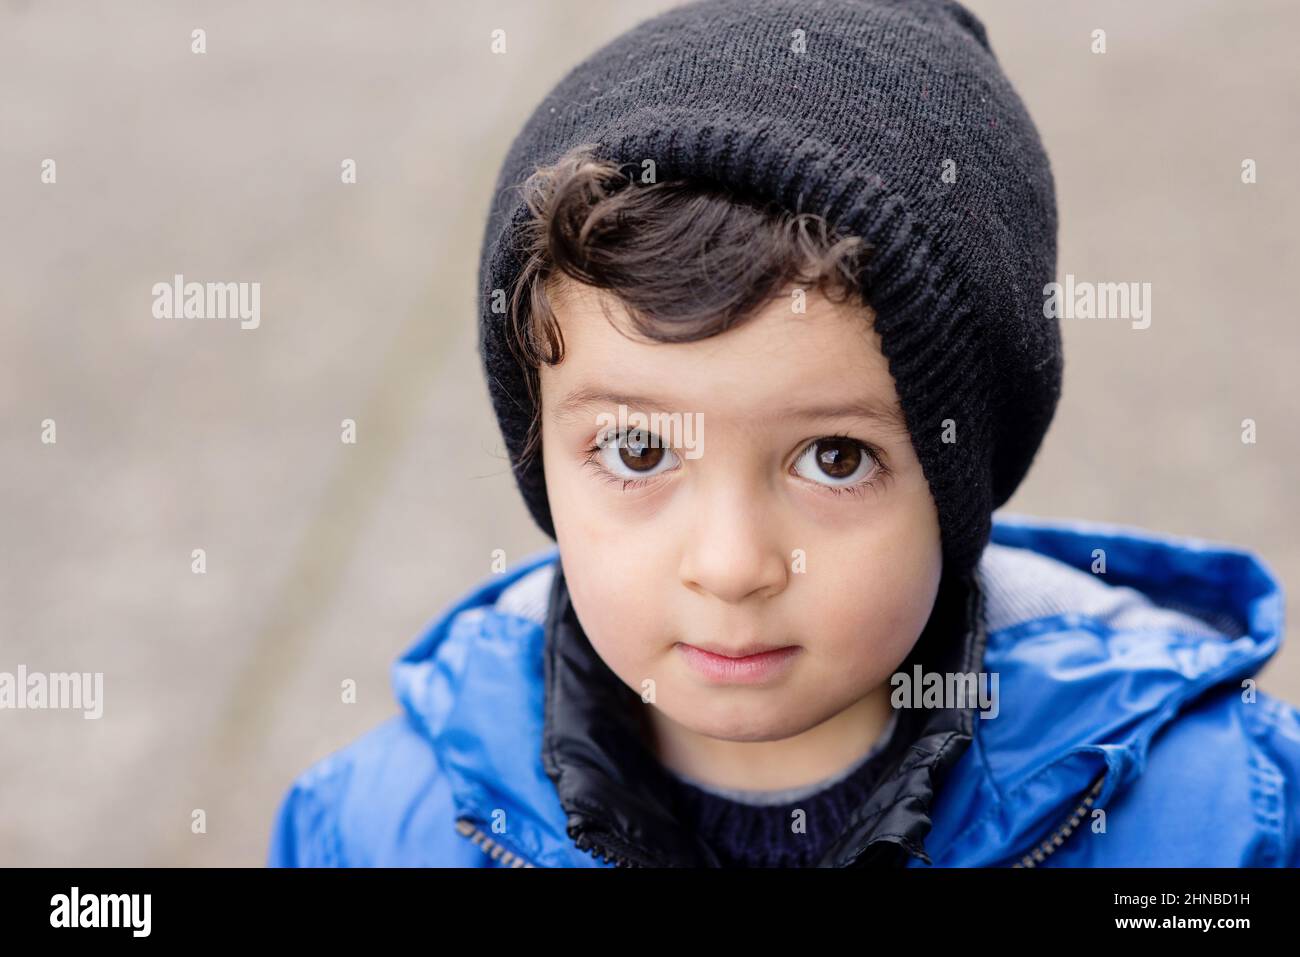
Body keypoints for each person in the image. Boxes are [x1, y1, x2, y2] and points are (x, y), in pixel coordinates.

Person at [267, 0, 1300, 867]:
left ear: (958, 478)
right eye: (638, 452)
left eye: (832, 459)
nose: (731, 567)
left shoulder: (1214, 822)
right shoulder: (378, 832)